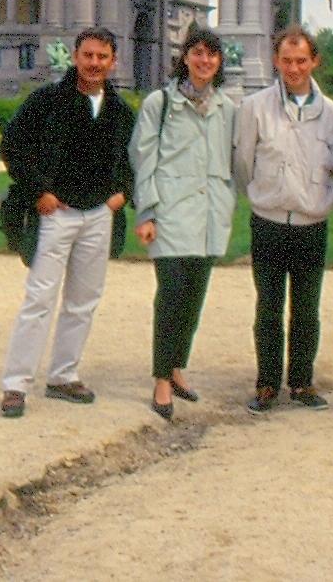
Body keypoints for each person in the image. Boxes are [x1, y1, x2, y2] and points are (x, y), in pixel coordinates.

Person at [0, 27, 134, 418]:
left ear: (113, 61)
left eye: (102, 57)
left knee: (83, 301)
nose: (94, 63)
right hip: (56, 212)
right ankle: (15, 384)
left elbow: (134, 159)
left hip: (97, 215)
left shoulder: (120, 110)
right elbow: (13, 145)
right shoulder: (46, 101)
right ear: (75, 57)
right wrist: (38, 190)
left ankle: (63, 375)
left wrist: (122, 193)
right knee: (39, 298)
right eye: (88, 55)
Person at [232, 25, 333, 415]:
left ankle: (301, 381)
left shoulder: (331, 113)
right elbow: (243, 163)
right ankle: (267, 384)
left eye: (301, 61)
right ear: (275, 61)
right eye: (286, 61)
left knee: (307, 308)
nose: (294, 68)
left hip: (312, 223)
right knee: (268, 307)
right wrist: (264, 195)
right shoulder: (255, 107)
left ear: (314, 61)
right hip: (267, 220)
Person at [130, 26, 237, 420]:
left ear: (219, 61)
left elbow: (234, 161)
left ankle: (177, 367)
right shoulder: (159, 103)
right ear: (185, 57)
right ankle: (161, 377)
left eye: (211, 54)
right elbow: (143, 158)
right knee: (171, 295)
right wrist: (146, 212)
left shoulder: (228, 108)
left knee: (194, 298)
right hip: (171, 212)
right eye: (197, 53)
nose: (204, 61)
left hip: (209, 214)